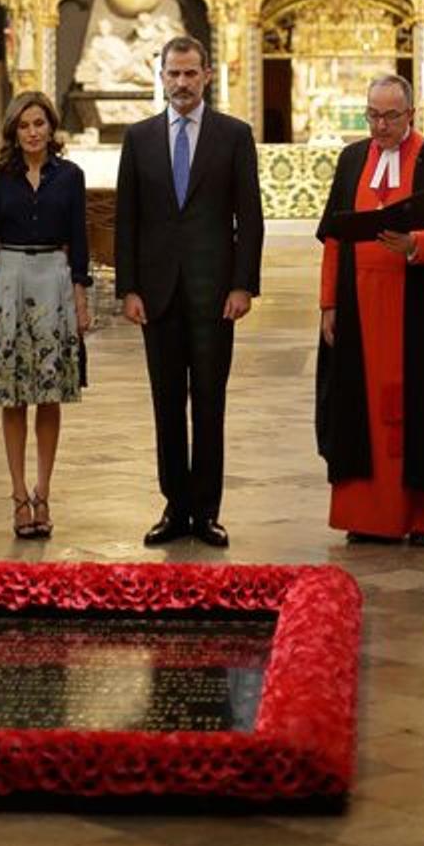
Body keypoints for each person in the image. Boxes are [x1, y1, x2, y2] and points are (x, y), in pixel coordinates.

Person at [316, 73, 424, 546]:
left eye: (390, 116)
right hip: (358, 311)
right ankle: (365, 514)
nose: (380, 125)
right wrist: (328, 303)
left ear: (411, 114)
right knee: (360, 413)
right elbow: (333, 238)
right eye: (372, 115)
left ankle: (422, 517)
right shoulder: (352, 160)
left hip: (418, 314)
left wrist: (415, 244)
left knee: (420, 411)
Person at [115, 35, 264, 548]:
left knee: (209, 400)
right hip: (156, 293)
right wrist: (128, 287)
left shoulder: (233, 136)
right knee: (166, 402)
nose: (181, 83)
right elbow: (127, 219)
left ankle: (207, 511)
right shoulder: (138, 139)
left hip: (214, 291)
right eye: (173, 74)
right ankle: (174, 507)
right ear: (161, 77)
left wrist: (243, 284)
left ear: (206, 76)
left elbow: (251, 217)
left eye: (190, 73)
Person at [0, 91, 91, 540]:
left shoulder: (70, 176)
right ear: (14, 130)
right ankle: (18, 494)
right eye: (24, 125)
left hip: (54, 280)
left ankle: (45, 490)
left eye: (39, 123)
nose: (32, 132)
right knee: (13, 394)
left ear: (51, 126)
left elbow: (79, 242)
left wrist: (80, 301)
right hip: (9, 277)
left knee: (49, 392)